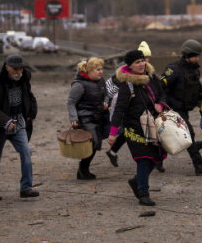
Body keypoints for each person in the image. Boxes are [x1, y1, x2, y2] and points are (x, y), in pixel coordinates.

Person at [108, 50, 166, 206]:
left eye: (142, 61)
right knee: (144, 159)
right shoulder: (126, 85)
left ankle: (136, 180)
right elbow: (119, 109)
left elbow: (161, 93)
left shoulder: (151, 77)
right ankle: (143, 193)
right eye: (137, 62)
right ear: (130, 66)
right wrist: (113, 133)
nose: (141, 64)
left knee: (159, 155)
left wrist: (159, 104)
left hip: (153, 124)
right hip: (134, 127)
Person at [0, 54, 39, 200]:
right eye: (15, 69)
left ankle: (26, 188)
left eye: (20, 69)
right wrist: (6, 121)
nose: (18, 72)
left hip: (19, 124)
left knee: (26, 152)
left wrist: (32, 114)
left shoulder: (24, 78)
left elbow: (30, 96)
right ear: (7, 67)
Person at [160, 39, 202, 175]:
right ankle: (198, 164)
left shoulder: (193, 70)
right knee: (188, 133)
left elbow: (197, 85)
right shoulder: (174, 69)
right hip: (173, 108)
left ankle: (157, 159)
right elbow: (161, 85)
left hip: (184, 108)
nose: (197, 58)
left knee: (171, 136)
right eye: (195, 56)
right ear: (187, 55)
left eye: (198, 56)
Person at [105, 41, 153, 169]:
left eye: (147, 59)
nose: (145, 62)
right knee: (128, 130)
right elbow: (116, 84)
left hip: (134, 106)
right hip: (117, 98)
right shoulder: (125, 69)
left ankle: (113, 151)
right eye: (143, 59)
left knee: (128, 132)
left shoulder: (146, 70)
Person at [67, 57, 107, 180]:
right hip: (85, 118)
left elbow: (106, 95)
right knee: (93, 143)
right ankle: (83, 169)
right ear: (89, 71)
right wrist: (74, 118)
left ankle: (82, 171)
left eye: (101, 69)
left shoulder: (101, 81)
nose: (101, 72)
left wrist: (105, 102)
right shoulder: (80, 84)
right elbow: (71, 102)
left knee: (94, 143)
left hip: (98, 117)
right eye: (97, 69)